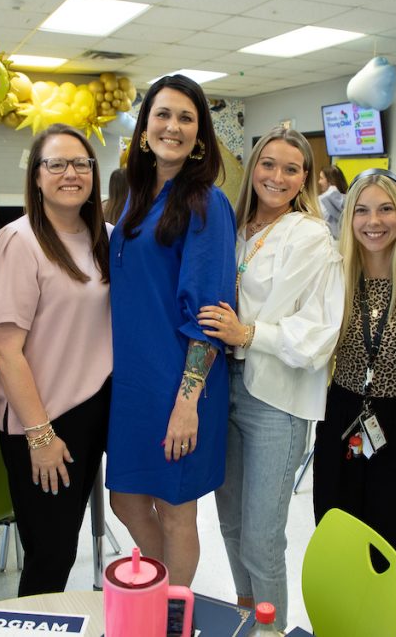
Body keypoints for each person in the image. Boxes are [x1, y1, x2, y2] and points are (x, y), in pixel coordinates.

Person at [197, 127, 343, 631]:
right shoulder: (234, 227)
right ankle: (245, 619)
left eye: (291, 168)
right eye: (268, 164)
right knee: (232, 526)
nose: (277, 177)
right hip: (224, 390)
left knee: (262, 538)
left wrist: (248, 333)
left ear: (305, 178)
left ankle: (270, 629)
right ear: (252, 167)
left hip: (274, 400)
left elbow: (320, 332)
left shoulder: (309, 235)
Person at [107, 74, 237, 587]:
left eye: (186, 117)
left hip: (180, 382)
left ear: (200, 135)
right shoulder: (136, 198)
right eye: (163, 114)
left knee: (176, 508)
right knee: (125, 499)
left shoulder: (205, 203)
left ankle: (173, 614)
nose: (173, 126)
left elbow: (208, 313)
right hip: (134, 384)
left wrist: (187, 402)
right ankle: (164, 594)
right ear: (144, 129)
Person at [312, 169, 396, 636]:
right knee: (339, 541)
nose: (374, 221)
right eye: (363, 210)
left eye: (386, 209)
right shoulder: (332, 277)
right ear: (349, 216)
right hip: (342, 422)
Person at [0, 124, 111, 595]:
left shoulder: (105, 239)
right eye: (56, 164)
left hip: (91, 410)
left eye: (80, 163)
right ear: (36, 177)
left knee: (64, 548)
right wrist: (40, 436)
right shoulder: (18, 242)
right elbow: (4, 349)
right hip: (43, 420)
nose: (70, 173)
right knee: (50, 556)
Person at [316, 165, 347, 239]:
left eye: (321, 178)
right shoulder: (348, 199)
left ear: (330, 180)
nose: (319, 182)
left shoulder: (325, 198)